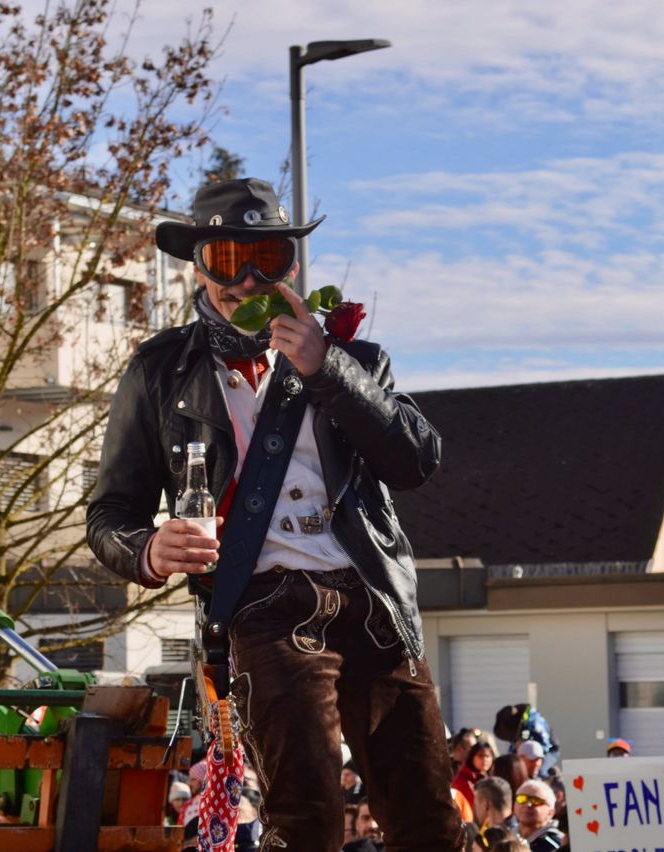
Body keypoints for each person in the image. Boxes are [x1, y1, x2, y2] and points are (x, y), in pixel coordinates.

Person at [86, 177, 463, 852]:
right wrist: (149, 548)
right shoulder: (159, 370)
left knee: (430, 821)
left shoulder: (355, 360)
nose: (245, 280)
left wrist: (326, 369)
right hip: (266, 606)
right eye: (227, 259)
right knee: (308, 817)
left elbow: (415, 463)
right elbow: (111, 513)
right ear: (199, 266)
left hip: (373, 597)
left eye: (267, 257)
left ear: (292, 265)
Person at [513, 780, 563, 851]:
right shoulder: (504, 836)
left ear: (550, 813)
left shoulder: (557, 846)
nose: (528, 805)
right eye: (522, 798)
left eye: (536, 801)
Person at [452, 741, 495, 811]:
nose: (484, 759)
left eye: (487, 756)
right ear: (472, 757)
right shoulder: (462, 780)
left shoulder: (493, 779)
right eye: (480, 755)